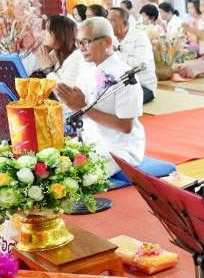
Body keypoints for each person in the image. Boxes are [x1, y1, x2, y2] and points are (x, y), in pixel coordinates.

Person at [54, 17, 145, 177]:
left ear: (107, 42)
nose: (81, 48)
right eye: (78, 43)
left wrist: (82, 108)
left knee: (74, 178)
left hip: (118, 148)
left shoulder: (124, 76)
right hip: (89, 141)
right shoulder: (87, 69)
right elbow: (75, 105)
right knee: (49, 165)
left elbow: (126, 126)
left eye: (86, 42)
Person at [106, 7, 156, 103]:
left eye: (112, 21)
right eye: (107, 20)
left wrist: (115, 53)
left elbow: (141, 65)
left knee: (121, 103)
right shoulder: (110, 38)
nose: (108, 24)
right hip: (119, 86)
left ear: (124, 23)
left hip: (142, 86)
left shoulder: (140, 36)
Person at [33, 15, 85, 88]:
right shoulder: (59, 55)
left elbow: (64, 92)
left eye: (48, 30)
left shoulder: (76, 58)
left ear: (60, 34)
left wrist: (47, 69)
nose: (44, 33)